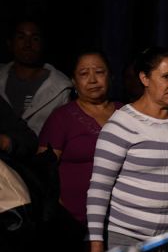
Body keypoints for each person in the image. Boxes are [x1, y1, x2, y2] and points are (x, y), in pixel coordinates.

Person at [87, 47, 168, 252]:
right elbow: (99, 189)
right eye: (166, 77)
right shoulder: (121, 125)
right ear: (144, 78)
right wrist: (96, 244)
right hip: (126, 243)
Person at [38, 51, 122, 231]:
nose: (92, 80)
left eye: (99, 72)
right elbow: (43, 170)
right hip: (74, 222)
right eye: (84, 74)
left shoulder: (127, 113)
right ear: (74, 81)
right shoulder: (62, 117)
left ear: (111, 76)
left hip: (122, 219)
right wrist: (60, 212)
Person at [0, 19, 71, 134]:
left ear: (43, 44)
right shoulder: (2, 77)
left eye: (35, 38)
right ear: (10, 43)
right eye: (21, 37)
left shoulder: (61, 88)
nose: (28, 44)